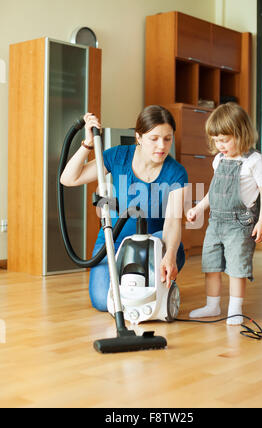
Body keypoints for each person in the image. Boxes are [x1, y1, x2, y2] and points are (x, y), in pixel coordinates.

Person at [60, 105, 188, 311]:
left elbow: (173, 221)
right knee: (103, 302)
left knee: (146, 291)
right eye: (154, 138)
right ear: (139, 136)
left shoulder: (176, 172)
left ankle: (156, 278)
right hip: (115, 240)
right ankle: (135, 283)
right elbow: (68, 178)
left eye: (167, 138)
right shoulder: (118, 156)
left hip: (154, 242)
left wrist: (170, 254)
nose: (161, 146)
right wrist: (87, 145)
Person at [186, 102, 262, 325]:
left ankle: (235, 309)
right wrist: (198, 207)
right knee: (211, 264)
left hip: (240, 223)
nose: (219, 145)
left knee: (236, 268)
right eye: (215, 140)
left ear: (241, 134)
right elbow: (214, 191)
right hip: (216, 222)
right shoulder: (219, 160)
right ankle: (212, 305)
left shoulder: (254, 161)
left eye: (224, 140)